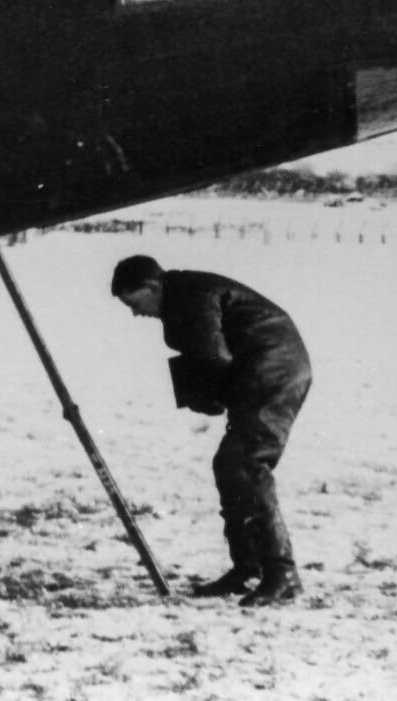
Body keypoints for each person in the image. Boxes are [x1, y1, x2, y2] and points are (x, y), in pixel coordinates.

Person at [111, 255, 312, 607]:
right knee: (229, 465)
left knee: (247, 464)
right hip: (263, 368)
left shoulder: (188, 297)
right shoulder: (183, 294)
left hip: (274, 369)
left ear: (152, 287)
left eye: (135, 303)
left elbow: (212, 356)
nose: (136, 314)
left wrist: (209, 401)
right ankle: (247, 567)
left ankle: (282, 574)